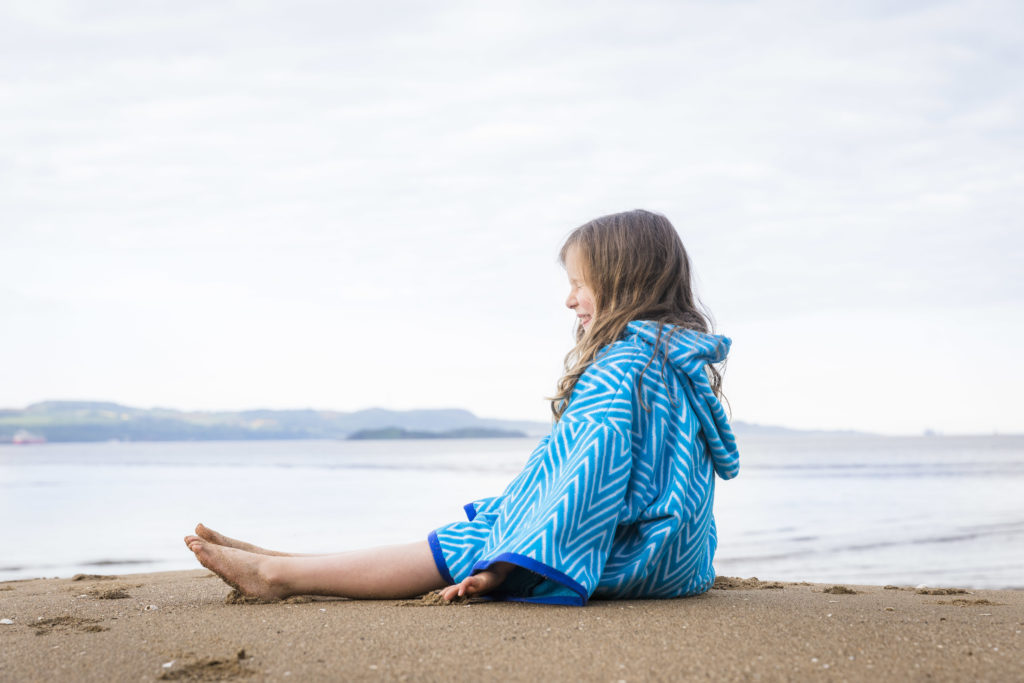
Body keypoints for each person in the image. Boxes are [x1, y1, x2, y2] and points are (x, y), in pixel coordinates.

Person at [184, 209, 740, 605]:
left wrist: (502, 566)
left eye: (579, 284)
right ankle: (291, 559)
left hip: (628, 564)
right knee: (504, 515)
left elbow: (585, 479)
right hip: (678, 562)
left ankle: (278, 577)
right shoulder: (677, 362)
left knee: (475, 539)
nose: (569, 300)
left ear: (621, 282)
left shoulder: (621, 370)